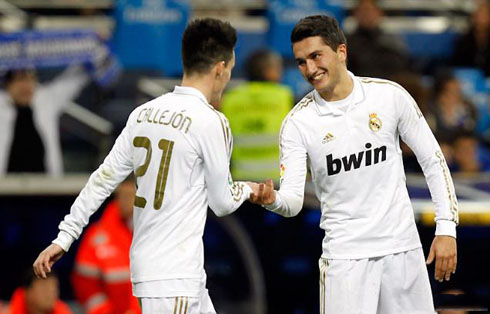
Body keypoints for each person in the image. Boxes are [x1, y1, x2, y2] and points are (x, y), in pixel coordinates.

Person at [33, 18, 254, 314]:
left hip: (169, 273)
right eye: (229, 70)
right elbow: (223, 202)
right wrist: (250, 189)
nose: (228, 78)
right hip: (174, 277)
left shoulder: (142, 114)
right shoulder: (211, 121)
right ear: (220, 68)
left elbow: (102, 179)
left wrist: (64, 236)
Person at [250, 15, 459, 313]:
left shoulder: (389, 96)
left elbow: (433, 160)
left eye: (315, 56)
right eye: (300, 62)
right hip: (346, 260)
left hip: (403, 251)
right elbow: (293, 202)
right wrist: (273, 200)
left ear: (341, 52)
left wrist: (446, 228)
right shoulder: (298, 123)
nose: (310, 69)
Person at [0, 66, 89, 176]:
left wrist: (94, 52)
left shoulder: (45, 100)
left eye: (30, 79)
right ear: (7, 84)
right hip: (5, 189)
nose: (26, 86)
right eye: (20, 79)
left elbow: (77, 76)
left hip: (46, 188)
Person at [221, 49, 293, 182]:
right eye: (277, 67)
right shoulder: (284, 96)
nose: (281, 71)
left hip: (241, 180)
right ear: (268, 71)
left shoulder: (230, 98)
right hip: (276, 181)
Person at [71, 177, 140, 314]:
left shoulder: (154, 231)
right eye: (121, 196)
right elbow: (85, 284)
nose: (124, 201)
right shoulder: (98, 236)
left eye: (130, 196)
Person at [346, 0, 410, 78]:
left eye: (370, 10)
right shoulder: (347, 43)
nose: (366, 15)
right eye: (362, 11)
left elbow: (401, 66)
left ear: (379, 13)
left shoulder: (392, 41)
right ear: (355, 14)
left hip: (389, 83)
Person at [452, 0, 490, 76]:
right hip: (468, 80)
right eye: (478, 15)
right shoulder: (463, 42)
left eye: (484, 16)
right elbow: (458, 66)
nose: (481, 20)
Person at [7, 270, 71, 314]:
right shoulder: (9, 311)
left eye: (54, 288)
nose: (51, 294)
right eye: (45, 288)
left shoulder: (62, 310)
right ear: (28, 292)